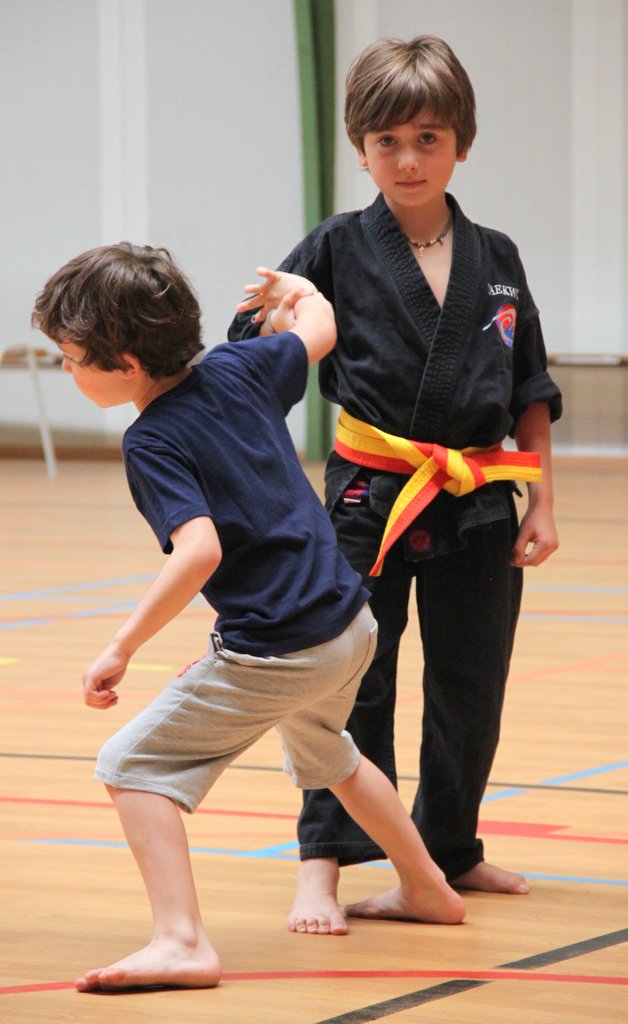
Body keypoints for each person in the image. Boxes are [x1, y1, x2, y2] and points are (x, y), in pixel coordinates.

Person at [31, 243, 465, 993]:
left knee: (131, 766)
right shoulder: (241, 369)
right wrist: (296, 289)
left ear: (126, 362)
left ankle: (180, 940)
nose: (67, 372)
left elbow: (197, 551)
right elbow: (320, 327)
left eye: (71, 359)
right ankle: (426, 885)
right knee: (330, 750)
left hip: (282, 646)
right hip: (347, 622)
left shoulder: (153, 439)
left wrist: (121, 646)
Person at [230, 34, 562, 937]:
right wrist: (278, 312)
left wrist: (545, 500)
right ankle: (324, 864)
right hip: (364, 497)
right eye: (387, 142)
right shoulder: (335, 247)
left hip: (479, 499)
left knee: (471, 682)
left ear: (461, 141)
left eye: (427, 138)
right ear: (360, 145)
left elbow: (530, 385)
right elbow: (258, 351)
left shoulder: (497, 254)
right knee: (342, 686)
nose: (407, 160)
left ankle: (450, 847)